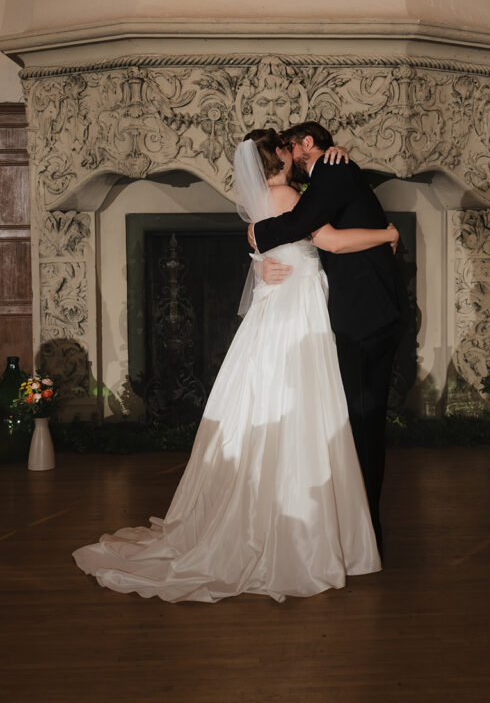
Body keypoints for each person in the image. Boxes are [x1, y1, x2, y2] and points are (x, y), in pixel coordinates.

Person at [73, 129, 399, 603]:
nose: (294, 154)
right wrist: (389, 233)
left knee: (269, 400)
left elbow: (266, 242)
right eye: (287, 149)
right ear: (283, 156)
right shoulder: (288, 194)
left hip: (280, 308)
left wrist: (256, 251)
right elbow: (325, 239)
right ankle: (307, 530)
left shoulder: (261, 201)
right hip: (297, 311)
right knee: (305, 408)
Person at [251, 121, 400, 552]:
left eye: (291, 147)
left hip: (367, 316)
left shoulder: (333, 172)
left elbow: (312, 231)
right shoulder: (332, 172)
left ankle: (366, 526)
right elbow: (316, 233)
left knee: (363, 418)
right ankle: (352, 523)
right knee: (350, 418)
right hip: (349, 313)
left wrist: (254, 235)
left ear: (307, 145)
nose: (287, 156)